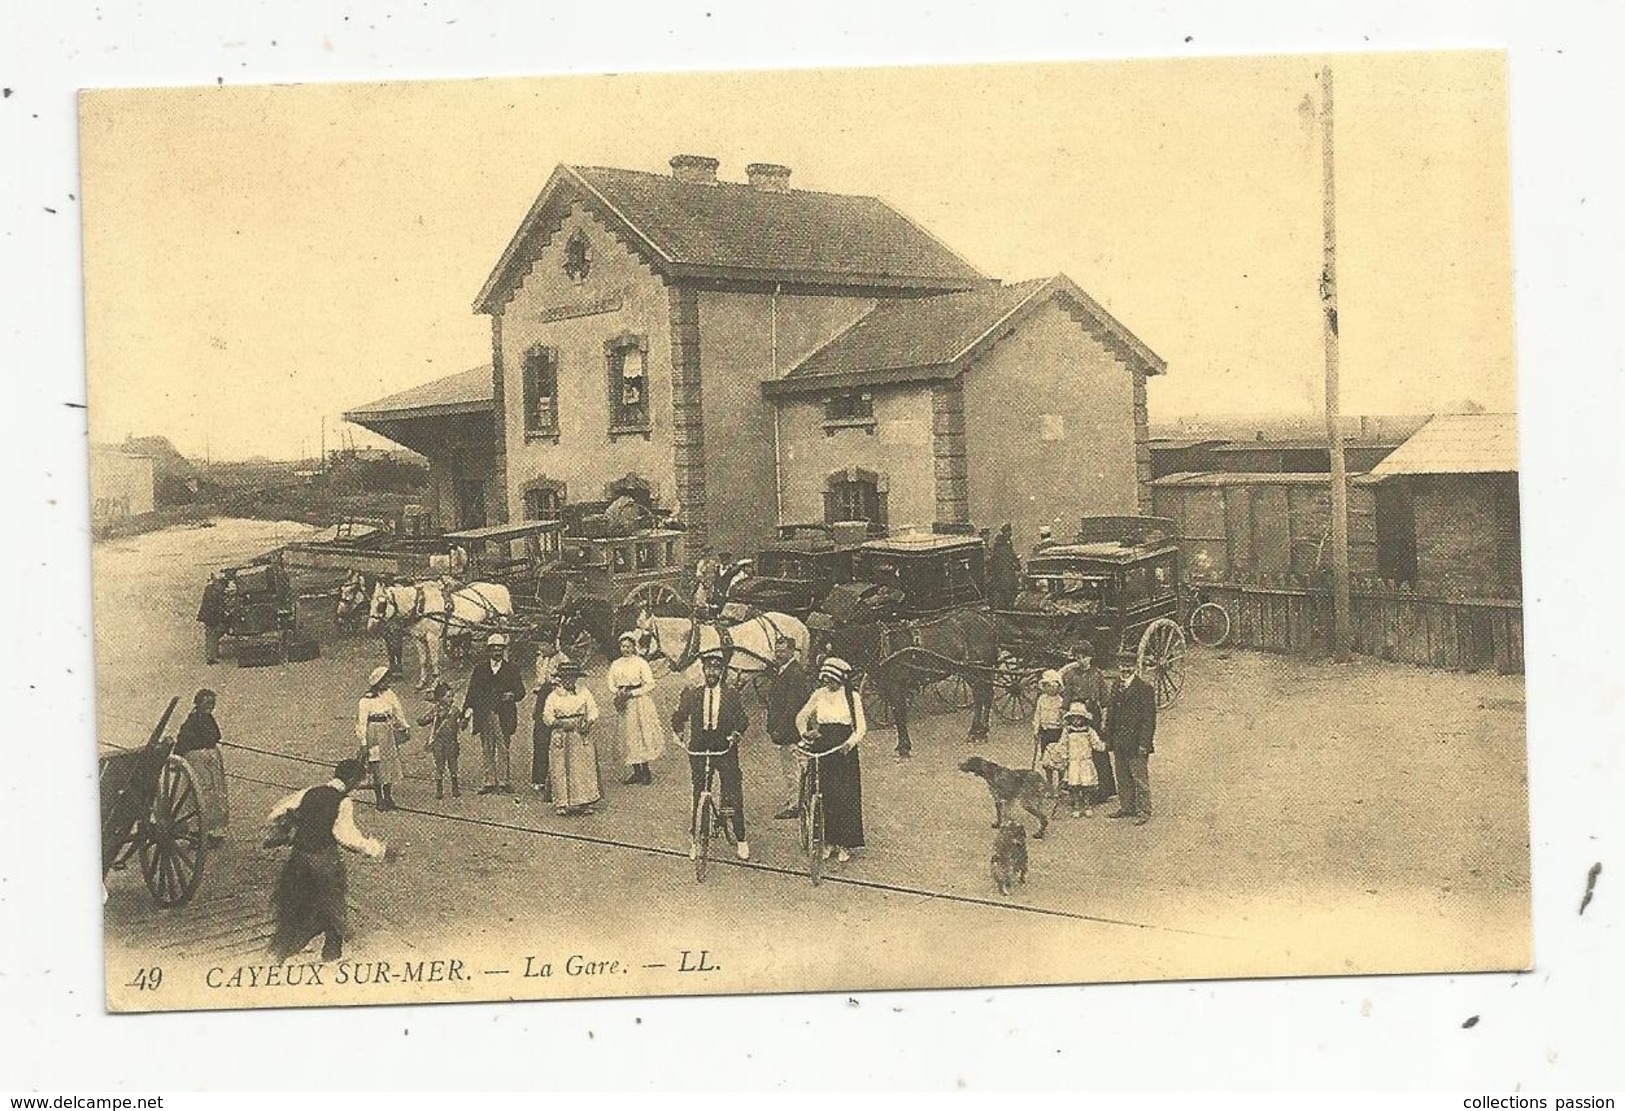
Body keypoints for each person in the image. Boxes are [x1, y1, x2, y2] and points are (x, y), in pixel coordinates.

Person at [263, 758, 394, 963]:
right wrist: (379, 850)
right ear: (350, 780)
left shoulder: (309, 791)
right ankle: (330, 953)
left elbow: (277, 813)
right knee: (333, 903)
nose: (356, 787)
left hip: (298, 860)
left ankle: (290, 951)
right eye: (357, 782)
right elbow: (347, 837)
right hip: (324, 861)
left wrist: (291, 826)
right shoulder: (343, 801)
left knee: (301, 904)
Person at [671, 650, 750, 860]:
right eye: (708, 668)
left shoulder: (731, 694)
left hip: (724, 747)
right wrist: (678, 731)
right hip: (699, 747)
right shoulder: (694, 694)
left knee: (733, 792)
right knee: (699, 793)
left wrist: (736, 734)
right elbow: (679, 716)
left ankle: (741, 838)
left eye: (716, 668)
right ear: (703, 670)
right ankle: (696, 839)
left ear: (721, 671)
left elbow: (742, 720)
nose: (712, 672)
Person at [794, 657, 866, 864]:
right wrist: (805, 734)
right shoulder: (819, 695)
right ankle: (827, 842)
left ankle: (844, 844)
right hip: (823, 746)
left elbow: (861, 728)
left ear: (841, 680)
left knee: (844, 795)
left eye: (833, 681)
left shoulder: (852, 697)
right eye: (826, 681)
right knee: (823, 794)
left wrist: (848, 745)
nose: (829, 685)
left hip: (844, 750)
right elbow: (801, 717)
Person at [462, 633, 526, 795]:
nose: (497, 652)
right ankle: (489, 781)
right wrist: (467, 712)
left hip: (504, 714)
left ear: (504, 651)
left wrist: (512, 695)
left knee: (503, 747)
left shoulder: (512, 669)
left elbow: (521, 692)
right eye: (494, 649)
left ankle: (504, 781)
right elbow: (472, 693)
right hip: (484, 714)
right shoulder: (480, 670)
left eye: (500, 649)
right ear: (488, 651)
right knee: (487, 747)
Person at [540, 656, 601, 815]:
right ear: (560, 678)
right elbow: (546, 716)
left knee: (582, 767)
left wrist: (589, 722)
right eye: (565, 677)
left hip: (580, 733)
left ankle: (584, 801)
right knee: (560, 767)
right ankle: (562, 803)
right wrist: (559, 723)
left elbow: (593, 709)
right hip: (561, 733)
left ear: (576, 678)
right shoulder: (554, 696)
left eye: (572, 677)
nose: (568, 681)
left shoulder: (584, 692)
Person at [764, 634, 813, 820]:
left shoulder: (794, 674)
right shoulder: (785, 670)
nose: (779, 654)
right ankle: (797, 799)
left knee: (792, 768)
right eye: (777, 650)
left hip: (791, 732)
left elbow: (792, 707)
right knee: (793, 767)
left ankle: (796, 804)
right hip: (788, 730)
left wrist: (779, 729)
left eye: (783, 651)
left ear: (792, 651)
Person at [607, 631, 665, 785]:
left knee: (640, 734)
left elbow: (650, 683)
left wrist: (633, 693)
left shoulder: (640, 663)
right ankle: (636, 772)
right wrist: (618, 692)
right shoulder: (616, 664)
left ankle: (646, 771)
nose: (625, 649)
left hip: (639, 703)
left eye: (628, 646)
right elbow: (611, 683)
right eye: (623, 646)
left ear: (634, 647)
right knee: (628, 735)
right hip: (624, 703)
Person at [1106, 652, 1157, 825]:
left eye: (1129, 666)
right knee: (1122, 776)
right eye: (1122, 665)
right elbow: (1111, 715)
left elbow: (1149, 720)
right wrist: (1109, 739)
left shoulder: (1144, 688)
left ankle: (1144, 811)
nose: (1125, 669)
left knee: (1139, 778)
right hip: (1119, 741)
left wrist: (1144, 744)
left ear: (1135, 667)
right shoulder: (1115, 685)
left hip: (1136, 743)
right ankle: (1127, 807)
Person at [1060, 641, 1115, 803]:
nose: (1081, 660)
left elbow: (1104, 700)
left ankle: (1103, 790)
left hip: (1093, 714)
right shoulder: (1070, 675)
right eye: (1078, 657)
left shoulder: (1097, 674)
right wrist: (1065, 717)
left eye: (1084, 657)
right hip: (1075, 716)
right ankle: (1077, 789)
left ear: (1090, 657)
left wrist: (1104, 719)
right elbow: (1066, 698)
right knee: (1077, 752)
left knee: (1097, 752)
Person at [174, 688, 228, 845]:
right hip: (198, 763)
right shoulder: (193, 721)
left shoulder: (208, 718)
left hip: (210, 761)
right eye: (207, 703)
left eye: (212, 703)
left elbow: (216, 736)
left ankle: (213, 831)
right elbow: (182, 744)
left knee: (214, 795)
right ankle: (198, 831)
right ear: (198, 704)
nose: (210, 706)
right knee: (201, 794)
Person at [356, 666, 409, 811]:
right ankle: (379, 798)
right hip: (374, 732)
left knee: (389, 764)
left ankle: (388, 796)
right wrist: (363, 743)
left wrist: (404, 726)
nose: (388, 683)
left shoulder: (389, 694)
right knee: (377, 766)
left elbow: (397, 710)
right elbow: (361, 723)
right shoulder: (365, 701)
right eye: (385, 680)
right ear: (378, 682)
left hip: (387, 730)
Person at [529, 635, 564, 798]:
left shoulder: (562, 659)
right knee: (540, 739)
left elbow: (563, 683)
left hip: (556, 699)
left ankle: (558, 778)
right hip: (542, 699)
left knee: (557, 739)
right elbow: (538, 681)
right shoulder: (540, 659)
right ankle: (539, 778)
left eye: (543, 645)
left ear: (552, 644)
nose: (541, 649)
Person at [416, 679, 462, 799]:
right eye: (448, 696)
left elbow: (461, 724)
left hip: (452, 741)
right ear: (440, 698)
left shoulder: (455, 710)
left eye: (452, 696)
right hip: (439, 741)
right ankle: (439, 788)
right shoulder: (436, 710)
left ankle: (455, 786)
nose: (451, 699)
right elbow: (422, 721)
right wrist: (433, 714)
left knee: (453, 764)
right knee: (439, 765)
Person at [1058, 699, 1103, 817]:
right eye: (1074, 718)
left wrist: (1102, 746)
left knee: (1086, 785)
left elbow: (1096, 743)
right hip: (1073, 762)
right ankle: (1077, 806)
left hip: (1085, 761)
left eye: (1079, 718)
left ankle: (1087, 805)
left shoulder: (1089, 731)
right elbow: (1063, 744)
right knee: (1074, 785)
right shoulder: (1067, 731)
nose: (1076, 721)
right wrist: (1064, 756)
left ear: (1084, 719)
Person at [1031, 669, 1065, 790]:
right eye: (1047, 686)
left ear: (1058, 687)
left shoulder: (1061, 701)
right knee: (1046, 761)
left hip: (1057, 732)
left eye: (1053, 686)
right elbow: (1038, 715)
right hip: (1045, 732)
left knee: (1059, 759)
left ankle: (1061, 786)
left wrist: (1064, 731)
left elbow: (1064, 718)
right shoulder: (1041, 699)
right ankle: (1049, 785)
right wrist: (1036, 730)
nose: (1050, 689)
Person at [197, 573, 228, 665]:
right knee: (213, 635)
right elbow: (218, 606)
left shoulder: (210, 589)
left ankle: (213, 654)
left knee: (212, 635)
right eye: (223, 585)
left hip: (209, 616)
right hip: (211, 617)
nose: (224, 588)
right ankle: (211, 657)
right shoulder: (215, 593)